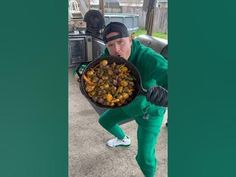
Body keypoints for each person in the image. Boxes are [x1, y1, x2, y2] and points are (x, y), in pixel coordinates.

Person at [97, 22, 168, 177]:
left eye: (121, 42)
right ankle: (123, 139)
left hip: (150, 112)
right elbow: (92, 68)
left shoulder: (148, 57)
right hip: (127, 103)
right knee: (104, 121)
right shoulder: (108, 56)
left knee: (145, 158)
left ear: (130, 39)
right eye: (110, 45)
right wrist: (78, 73)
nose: (116, 50)